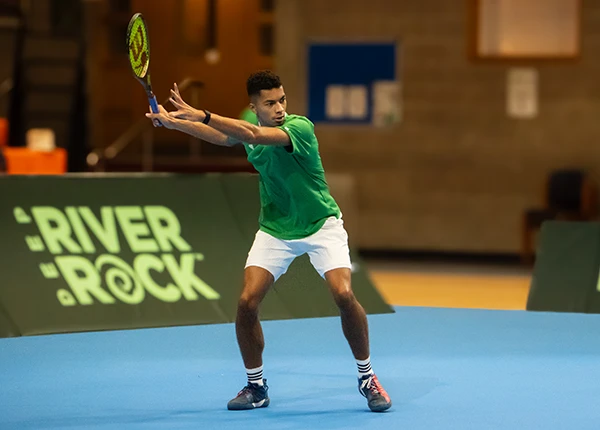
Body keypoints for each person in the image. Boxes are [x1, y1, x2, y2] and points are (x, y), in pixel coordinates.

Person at [146, 70, 392, 413]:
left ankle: (367, 377)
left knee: (343, 294)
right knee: (247, 302)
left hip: (321, 224)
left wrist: (200, 113)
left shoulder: (299, 128)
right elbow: (225, 138)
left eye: (282, 100)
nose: (279, 108)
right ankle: (256, 386)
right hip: (276, 228)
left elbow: (249, 133)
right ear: (255, 106)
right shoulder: (248, 122)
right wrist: (176, 124)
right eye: (270, 103)